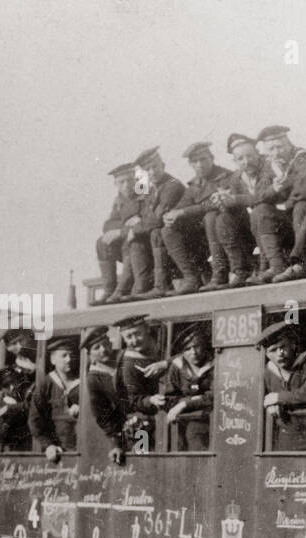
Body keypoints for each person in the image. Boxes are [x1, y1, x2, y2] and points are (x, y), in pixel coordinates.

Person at [162, 142, 231, 295]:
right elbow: (181, 206)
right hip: (206, 238)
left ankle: (220, 273)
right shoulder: (194, 185)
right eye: (195, 161)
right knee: (168, 231)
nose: (199, 165)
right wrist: (171, 215)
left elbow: (214, 204)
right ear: (190, 164)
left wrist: (182, 212)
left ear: (212, 158)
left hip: (229, 233)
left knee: (211, 216)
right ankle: (191, 278)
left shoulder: (225, 176)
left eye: (203, 159)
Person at [204, 134, 269, 290]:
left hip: (273, 221)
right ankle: (240, 271)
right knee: (223, 219)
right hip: (253, 227)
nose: (246, 162)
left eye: (250, 156)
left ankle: (264, 269)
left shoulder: (268, 168)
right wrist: (221, 200)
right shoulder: (236, 177)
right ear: (235, 161)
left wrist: (236, 199)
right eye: (240, 159)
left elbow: (265, 197)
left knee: (260, 212)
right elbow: (234, 203)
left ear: (258, 154)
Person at [256, 126, 306, 284]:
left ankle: (301, 265)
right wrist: (273, 189)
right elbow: (260, 194)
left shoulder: (303, 158)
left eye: (280, 146)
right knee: (262, 210)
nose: (276, 152)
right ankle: (277, 265)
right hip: (285, 216)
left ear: (289, 143)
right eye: (271, 149)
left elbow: (304, 189)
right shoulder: (269, 165)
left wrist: (286, 202)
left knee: (301, 207)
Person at [131, 147, 186, 300]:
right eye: (147, 169)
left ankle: (161, 285)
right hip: (165, 241)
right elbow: (141, 214)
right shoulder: (148, 189)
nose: (152, 172)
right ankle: (142, 287)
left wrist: (134, 229)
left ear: (163, 165)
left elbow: (157, 218)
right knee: (137, 240)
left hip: (183, 239)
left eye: (155, 166)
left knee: (155, 232)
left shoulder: (172, 185)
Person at [259, 322, 306, 451]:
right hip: (285, 437)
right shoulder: (267, 373)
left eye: (283, 347)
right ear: (267, 354)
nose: (280, 353)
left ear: (293, 345)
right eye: (273, 350)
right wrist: (269, 405)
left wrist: (278, 397)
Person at [115, 315, 168, 450]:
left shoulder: (163, 343)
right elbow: (133, 400)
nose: (133, 340)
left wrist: (165, 363)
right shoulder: (128, 363)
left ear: (147, 329)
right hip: (142, 425)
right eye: (128, 337)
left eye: (137, 334)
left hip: (166, 420)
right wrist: (150, 400)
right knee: (141, 459)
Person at [96, 162, 146, 303]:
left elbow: (147, 220)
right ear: (116, 184)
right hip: (128, 241)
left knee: (130, 240)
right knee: (101, 242)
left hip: (144, 244)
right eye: (121, 182)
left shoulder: (145, 193)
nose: (126, 185)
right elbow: (108, 225)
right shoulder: (119, 200)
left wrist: (124, 231)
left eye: (129, 180)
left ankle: (122, 289)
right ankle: (109, 289)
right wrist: (124, 227)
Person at [162, 326, 215, 451]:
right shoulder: (176, 367)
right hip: (182, 422)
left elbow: (215, 395)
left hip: (209, 421)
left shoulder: (215, 364)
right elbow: (169, 398)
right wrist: (194, 401)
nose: (194, 352)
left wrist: (185, 404)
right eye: (188, 349)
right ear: (182, 352)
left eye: (197, 346)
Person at [29, 337, 80, 462]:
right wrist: (48, 445)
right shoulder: (46, 384)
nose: (69, 359)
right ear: (53, 359)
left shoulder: (82, 382)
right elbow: (35, 418)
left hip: (81, 447)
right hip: (58, 451)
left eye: (71, 355)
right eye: (64, 355)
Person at [81, 325, 126, 462]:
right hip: (133, 427)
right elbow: (103, 415)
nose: (103, 350)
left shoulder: (124, 358)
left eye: (105, 344)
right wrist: (116, 444)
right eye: (96, 348)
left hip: (150, 413)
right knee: (143, 455)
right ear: (90, 356)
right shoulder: (94, 379)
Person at [0, 367, 31, 452]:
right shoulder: (3, 400)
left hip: (30, 444)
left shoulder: (27, 393)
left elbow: (32, 407)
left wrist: (9, 408)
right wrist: (6, 423)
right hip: (14, 448)